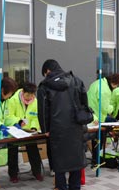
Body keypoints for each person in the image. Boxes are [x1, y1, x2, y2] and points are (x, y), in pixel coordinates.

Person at [37, 59, 88, 190]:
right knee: (76, 162)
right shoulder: (77, 81)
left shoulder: (44, 86)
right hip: (76, 128)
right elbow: (84, 104)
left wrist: (45, 129)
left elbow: (43, 111)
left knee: (59, 162)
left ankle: (61, 187)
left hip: (56, 130)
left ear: (47, 71)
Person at [6, 82, 43, 182]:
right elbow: (8, 116)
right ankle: (13, 174)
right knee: (12, 150)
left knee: (33, 149)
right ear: (23, 92)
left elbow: (35, 116)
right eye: (27, 95)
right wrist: (18, 121)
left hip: (28, 132)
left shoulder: (34, 101)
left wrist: (34, 128)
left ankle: (37, 172)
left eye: (31, 95)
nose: (29, 98)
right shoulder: (13, 100)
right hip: (15, 130)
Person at [87, 73, 119, 166]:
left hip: (91, 115)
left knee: (96, 139)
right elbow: (104, 108)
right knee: (99, 139)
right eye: (116, 86)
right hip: (98, 118)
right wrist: (112, 108)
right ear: (113, 83)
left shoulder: (97, 83)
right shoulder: (105, 90)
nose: (115, 88)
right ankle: (97, 160)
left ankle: (96, 159)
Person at [0, 77, 18, 184]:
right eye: (10, 93)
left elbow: (6, 116)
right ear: (2, 90)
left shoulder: (5, 100)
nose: (10, 96)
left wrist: (16, 123)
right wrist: (0, 125)